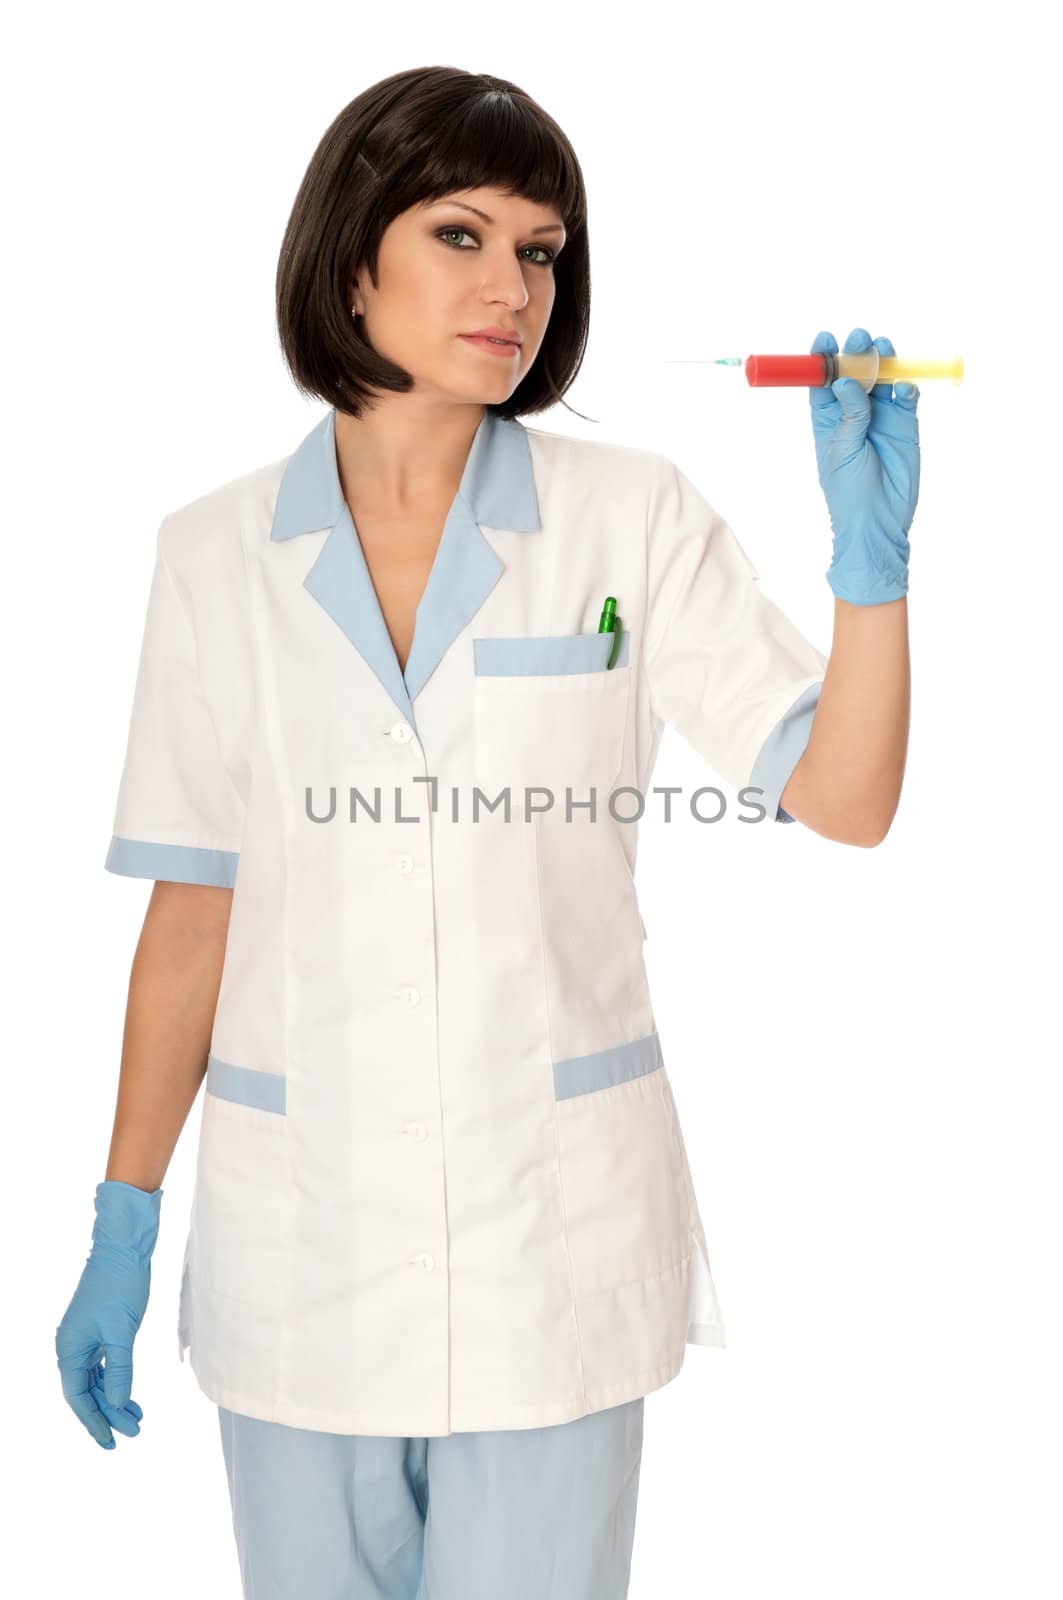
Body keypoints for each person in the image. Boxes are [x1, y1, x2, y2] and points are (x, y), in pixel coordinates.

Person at [55, 64, 919, 1600]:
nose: (514, 285)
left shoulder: (628, 516)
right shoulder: (210, 556)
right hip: (295, 1254)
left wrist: (872, 573)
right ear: (349, 263)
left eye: (541, 249)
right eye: (462, 235)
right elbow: (194, 912)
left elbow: (844, 801)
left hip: (548, 1249)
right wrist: (123, 1217)